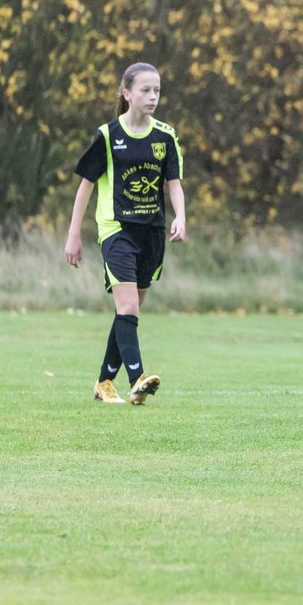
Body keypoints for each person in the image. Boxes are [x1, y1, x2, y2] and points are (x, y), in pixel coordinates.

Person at [64, 62, 186, 405]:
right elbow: (85, 187)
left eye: (157, 90)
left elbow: (173, 183)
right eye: (145, 90)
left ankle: (104, 382)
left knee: (127, 314)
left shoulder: (165, 135)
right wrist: (74, 234)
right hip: (116, 230)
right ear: (127, 93)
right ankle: (139, 379)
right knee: (128, 306)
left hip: (152, 234)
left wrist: (181, 216)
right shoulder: (108, 136)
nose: (152, 96)